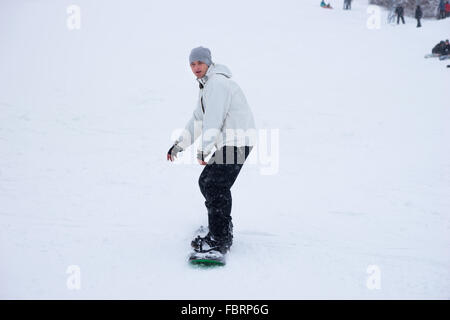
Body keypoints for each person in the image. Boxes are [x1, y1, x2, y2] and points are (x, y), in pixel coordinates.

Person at [167, 47, 256, 255]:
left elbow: (213, 120)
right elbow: (199, 120)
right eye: (192, 64)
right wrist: (180, 144)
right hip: (232, 141)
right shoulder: (206, 87)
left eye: (200, 63)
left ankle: (219, 238)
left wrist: (203, 150)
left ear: (208, 63)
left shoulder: (217, 84)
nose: (196, 67)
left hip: (238, 140)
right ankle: (221, 227)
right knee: (207, 183)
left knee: (215, 185)